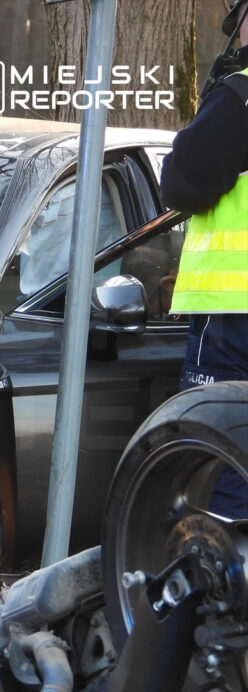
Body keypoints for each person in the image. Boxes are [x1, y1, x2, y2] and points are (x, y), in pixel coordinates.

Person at [160, 0, 248, 516]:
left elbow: (182, 184)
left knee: (218, 453)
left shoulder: (238, 98)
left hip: (232, 315)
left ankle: (226, 587)